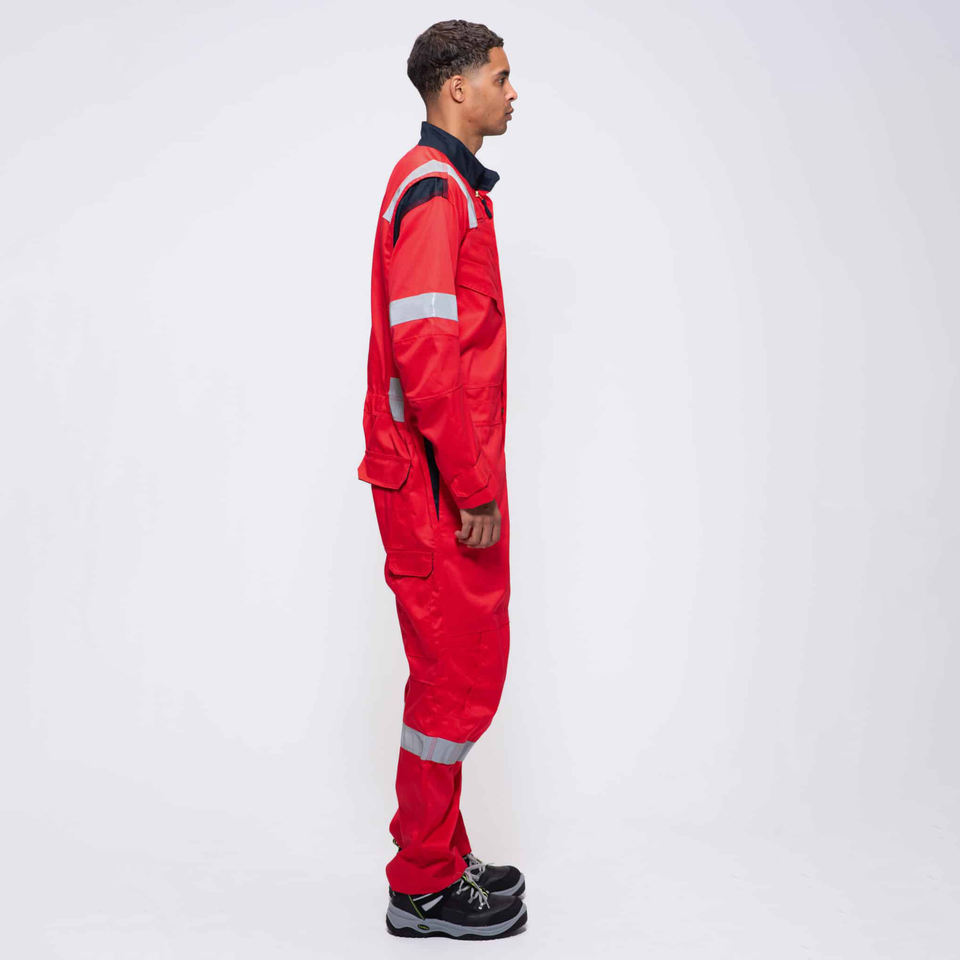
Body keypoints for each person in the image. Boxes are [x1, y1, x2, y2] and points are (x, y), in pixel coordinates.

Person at [356, 19, 525, 940]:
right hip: (435, 487)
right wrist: (472, 488)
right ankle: (421, 885)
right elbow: (428, 358)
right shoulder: (433, 192)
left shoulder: (450, 189)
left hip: (440, 477)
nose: (512, 92)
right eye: (500, 76)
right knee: (451, 682)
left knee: (453, 673)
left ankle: (442, 855)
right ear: (456, 88)